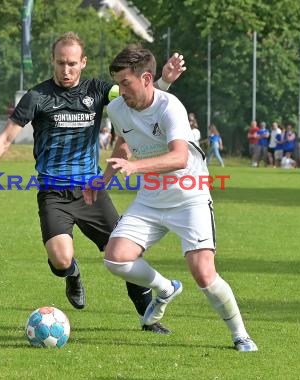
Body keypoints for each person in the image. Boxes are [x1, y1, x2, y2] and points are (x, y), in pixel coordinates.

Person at [0, 32, 186, 334]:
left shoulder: (100, 90)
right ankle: (72, 274)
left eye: (73, 64)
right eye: (61, 63)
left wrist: (165, 82)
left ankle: (148, 316)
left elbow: (140, 95)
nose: (66, 70)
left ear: (83, 63)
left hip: (91, 190)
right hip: (53, 193)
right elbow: (5, 138)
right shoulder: (37, 97)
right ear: (52, 61)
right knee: (61, 258)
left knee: (129, 254)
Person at [84, 45, 257, 352]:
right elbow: (125, 143)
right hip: (150, 199)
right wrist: (102, 180)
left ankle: (240, 334)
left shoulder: (171, 106)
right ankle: (165, 289)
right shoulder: (117, 109)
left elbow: (179, 157)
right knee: (115, 257)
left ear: (146, 78)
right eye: (118, 83)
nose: (120, 90)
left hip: (189, 196)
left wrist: (135, 167)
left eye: (126, 83)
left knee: (203, 272)